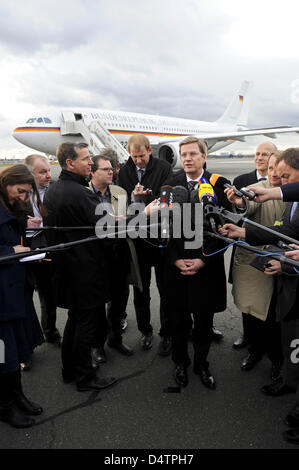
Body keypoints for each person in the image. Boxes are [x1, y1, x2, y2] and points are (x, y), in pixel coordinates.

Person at [219, 147, 299, 444]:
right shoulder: (289, 199)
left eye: (285, 177)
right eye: (275, 176)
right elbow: (285, 231)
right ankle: (293, 391)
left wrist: (289, 262)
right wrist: (243, 234)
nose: (279, 181)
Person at [44, 142, 117, 392]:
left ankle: (69, 371)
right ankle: (85, 377)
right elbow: (107, 230)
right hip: (85, 270)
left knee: (74, 322)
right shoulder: (81, 193)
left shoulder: (53, 190)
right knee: (85, 325)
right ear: (69, 163)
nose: (90, 162)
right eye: (85, 158)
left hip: (64, 268)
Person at [164, 136, 231, 389]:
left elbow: (227, 230)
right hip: (176, 267)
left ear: (204, 156)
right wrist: (174, 259)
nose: (188, 158)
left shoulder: (219, 185)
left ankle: (201, 365)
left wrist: (203, 260)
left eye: (193, 154)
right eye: (184, 155)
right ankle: (179, 363)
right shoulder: (170, 186)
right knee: (179, 322)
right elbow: (161, 229)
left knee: (204, 323)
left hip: (207, 267)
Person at [225, 152, 285, 377]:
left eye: (278, 169)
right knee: (253, 313)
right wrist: (241, 203)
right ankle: (255, 351)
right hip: (255, 262)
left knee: (276, 319)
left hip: (284, 263)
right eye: (270, 168)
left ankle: (277, 360)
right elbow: (247, 204)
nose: (273, 173)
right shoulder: (258, 188)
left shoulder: (290, 191)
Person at [117, 134, 173, 355]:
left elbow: (167, 201)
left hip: (160, 238)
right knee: (141, 290)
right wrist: (133, 200)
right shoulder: (125, 171)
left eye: (141, 156)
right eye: (134, 156)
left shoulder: (164, 168)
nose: (138, 161)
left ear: (150, 150)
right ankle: (145, 330)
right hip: (137, 240)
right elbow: (121, 205)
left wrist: (147, 200)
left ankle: (166, 334)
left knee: (166, 290)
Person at [0, 164, 44, 428]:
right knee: (3, 355)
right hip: (2, 298)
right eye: (20, 191)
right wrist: (10, 251)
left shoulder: (12, 207)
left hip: (15, 292)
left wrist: (26, 231)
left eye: (27, 193)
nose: (23, 197)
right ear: (5, 184)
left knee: (14, 351)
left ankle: (17, 395)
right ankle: (4, 406)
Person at [231, 141, 277, 350]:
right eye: (257, 153)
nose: (259, 158)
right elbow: (242, 209)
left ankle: (270, 348)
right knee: (247, 300)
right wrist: (239, 203)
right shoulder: (242, 180)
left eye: (265, 154)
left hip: (274, 251)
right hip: (248, 247)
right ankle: (249, 338)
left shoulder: (282, 185)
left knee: (271, 306)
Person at [89, 154, 134, 363]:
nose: (111, 172)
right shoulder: (84, 194)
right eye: (106, 169)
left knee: (119, 301)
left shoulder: (119, 192)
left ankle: (115, 338)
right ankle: (97, 345)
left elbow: (129, 222)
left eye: (112, 169)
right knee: (97, 305)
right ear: (93, 172)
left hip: (119, 254)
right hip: (96, 258)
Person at [24, 154, 61, 345]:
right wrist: (25, 223)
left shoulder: (55, 190)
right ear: (30, 174)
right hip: (23, 252)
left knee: (48, 296)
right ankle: (26, 345)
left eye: (48, 170)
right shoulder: (17, 194)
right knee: (23, 301)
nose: (49, 175)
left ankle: (50, 332)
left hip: (48, 249)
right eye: (42, 172)